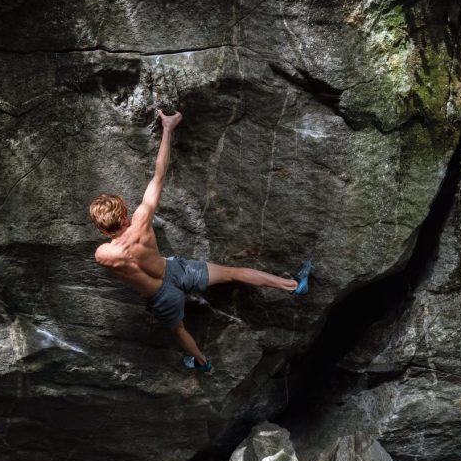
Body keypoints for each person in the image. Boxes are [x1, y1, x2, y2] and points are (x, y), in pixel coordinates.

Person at [89, 110, 312, 373]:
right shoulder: (141, 220)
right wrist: (168, 129)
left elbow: (116, 252)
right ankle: (293, 286)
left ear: (102, 230)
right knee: (233, 273)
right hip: (177, 272)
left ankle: (202, 363)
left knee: (178, 329)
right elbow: (159, 174)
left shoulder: (103, 254)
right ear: (124, 214)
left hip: (161, 297)